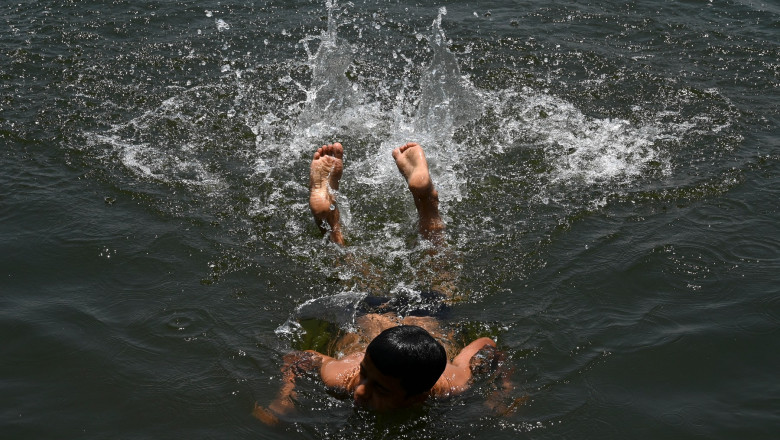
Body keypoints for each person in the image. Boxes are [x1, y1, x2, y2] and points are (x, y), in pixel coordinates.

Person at [254, 142, 505, 424]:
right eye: (363, 373)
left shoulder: (445, 382)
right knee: (432, 270)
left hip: (385, 314)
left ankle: (408, 204)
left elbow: (302, 358)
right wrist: (283, 398)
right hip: (413, 318)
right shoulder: (452, 381)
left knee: (417, 264)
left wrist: (284, 399)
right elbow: (485, 347)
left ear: (421, 396)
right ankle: (424, 199)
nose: (360, 390)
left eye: (380, 389)